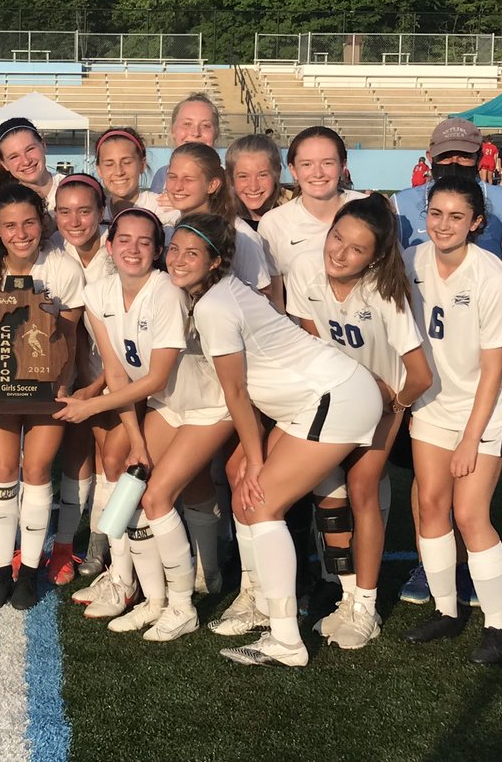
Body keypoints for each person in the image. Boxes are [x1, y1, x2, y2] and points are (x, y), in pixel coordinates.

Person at [178, 215, 381, 667]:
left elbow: (235, 393)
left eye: (192, 253)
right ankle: (263, 604)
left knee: (262, 503)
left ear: (216, 261)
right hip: (315, 398)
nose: (177, 260)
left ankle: (287, 639)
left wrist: (255, 459)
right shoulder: (222, 292)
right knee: (247, 491)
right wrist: (248, 461)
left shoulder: (213, 305)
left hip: (332, 398)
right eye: (174, 249)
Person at [286, 195, 433, 649]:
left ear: (375, 257)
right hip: (333, 397)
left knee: (365, 489)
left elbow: (420, 375)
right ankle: (347, 595)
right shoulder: (303, 270)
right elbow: (309, 341)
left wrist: (393, 406)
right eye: (337, 237)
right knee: (326, 490)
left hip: (383, 406)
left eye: (356, 249)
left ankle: (365, 607)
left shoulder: (386, 293)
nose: (339, 252)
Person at [402, 176, 502, 665]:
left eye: (456, 216)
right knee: (431, 505)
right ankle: (447, 611)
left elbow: (495, 367)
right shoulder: (410, 262)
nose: (442, 225)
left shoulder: (488, 273)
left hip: (484, 407)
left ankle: (499, 626)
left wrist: (472, 438)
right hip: (432, 404)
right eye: (435, 213)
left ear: (476, 223)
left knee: (471, 514)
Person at [54, 208, 188, 631]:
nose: (133, 249)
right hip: (142, 395)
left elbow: (158, 377)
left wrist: (89, 407)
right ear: (109, 246)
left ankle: (152, 594)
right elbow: (115, 372)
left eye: (144, 241)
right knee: (118, 463)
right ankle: (123, 579)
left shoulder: (166, 291)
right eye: (124, 239)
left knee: (136, 480)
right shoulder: (100, 294)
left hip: (182, 399)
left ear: (158, 250)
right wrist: (137, 438)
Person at [0, 183, 85, 610]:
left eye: (28, 222)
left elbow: (73, 334)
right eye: (10, 225)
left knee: (38, 469)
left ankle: (30, 571)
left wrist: (62, 384)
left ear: (42, 222)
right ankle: (2, 569)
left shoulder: (63, 268)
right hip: (2, 388)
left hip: (47, 386)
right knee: (4, 469)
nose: (21, 232)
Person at [48, 174, 112, 583]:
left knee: (111, 458)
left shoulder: (118, 247)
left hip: (116, 371)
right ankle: (65, 542)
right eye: (64, 211)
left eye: (84, 210)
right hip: (71, 370)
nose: (74, 220)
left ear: (101, 212)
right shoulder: (52, 252)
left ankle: (102, 543)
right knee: (75, 454)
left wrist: (100, 383)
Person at [164, 141, 276, 307]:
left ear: (212, 185)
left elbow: (263, 298)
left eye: (188, 179)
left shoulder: (241, 236)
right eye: (173, 177)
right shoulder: (166, 225)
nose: (178, 187)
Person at [392, 118, 502, 258]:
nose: (454, 163)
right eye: (445, 156)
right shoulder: (400, 205)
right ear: (430, 157)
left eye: (464, 157)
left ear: (479, 157)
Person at [257, 126, 366, 280]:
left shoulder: (370, 210)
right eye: (306, 164)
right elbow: (275, 295)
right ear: (293, 170)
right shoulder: (273, 223)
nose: (318, 173)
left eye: (327, 163)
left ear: (343, 166)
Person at [92, 127, 174, 224]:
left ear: (142, 165)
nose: (119, 172)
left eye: (126, 162)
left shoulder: (164, 210)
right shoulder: (92, 215)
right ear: (99, 170)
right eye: (109, 164)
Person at [149, 93, 221, 193]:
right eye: (187, 124)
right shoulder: (162, 175)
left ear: (216, 133)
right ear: (173, 131)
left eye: (206, 125)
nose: (196, 132)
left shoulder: (230, 180)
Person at [0, 118, 66, 209]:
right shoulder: (3, 205)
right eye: (14, 157)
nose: (26, 161)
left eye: (30, 149)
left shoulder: (74, 187)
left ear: (43, 146)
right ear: (4, 164)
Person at [225, 134, 292, 229]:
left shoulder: (296, 216)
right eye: (243, 176)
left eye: (262, 175)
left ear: (277, 173)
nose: (253, 187)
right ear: (230, 177)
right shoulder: (221, 221)